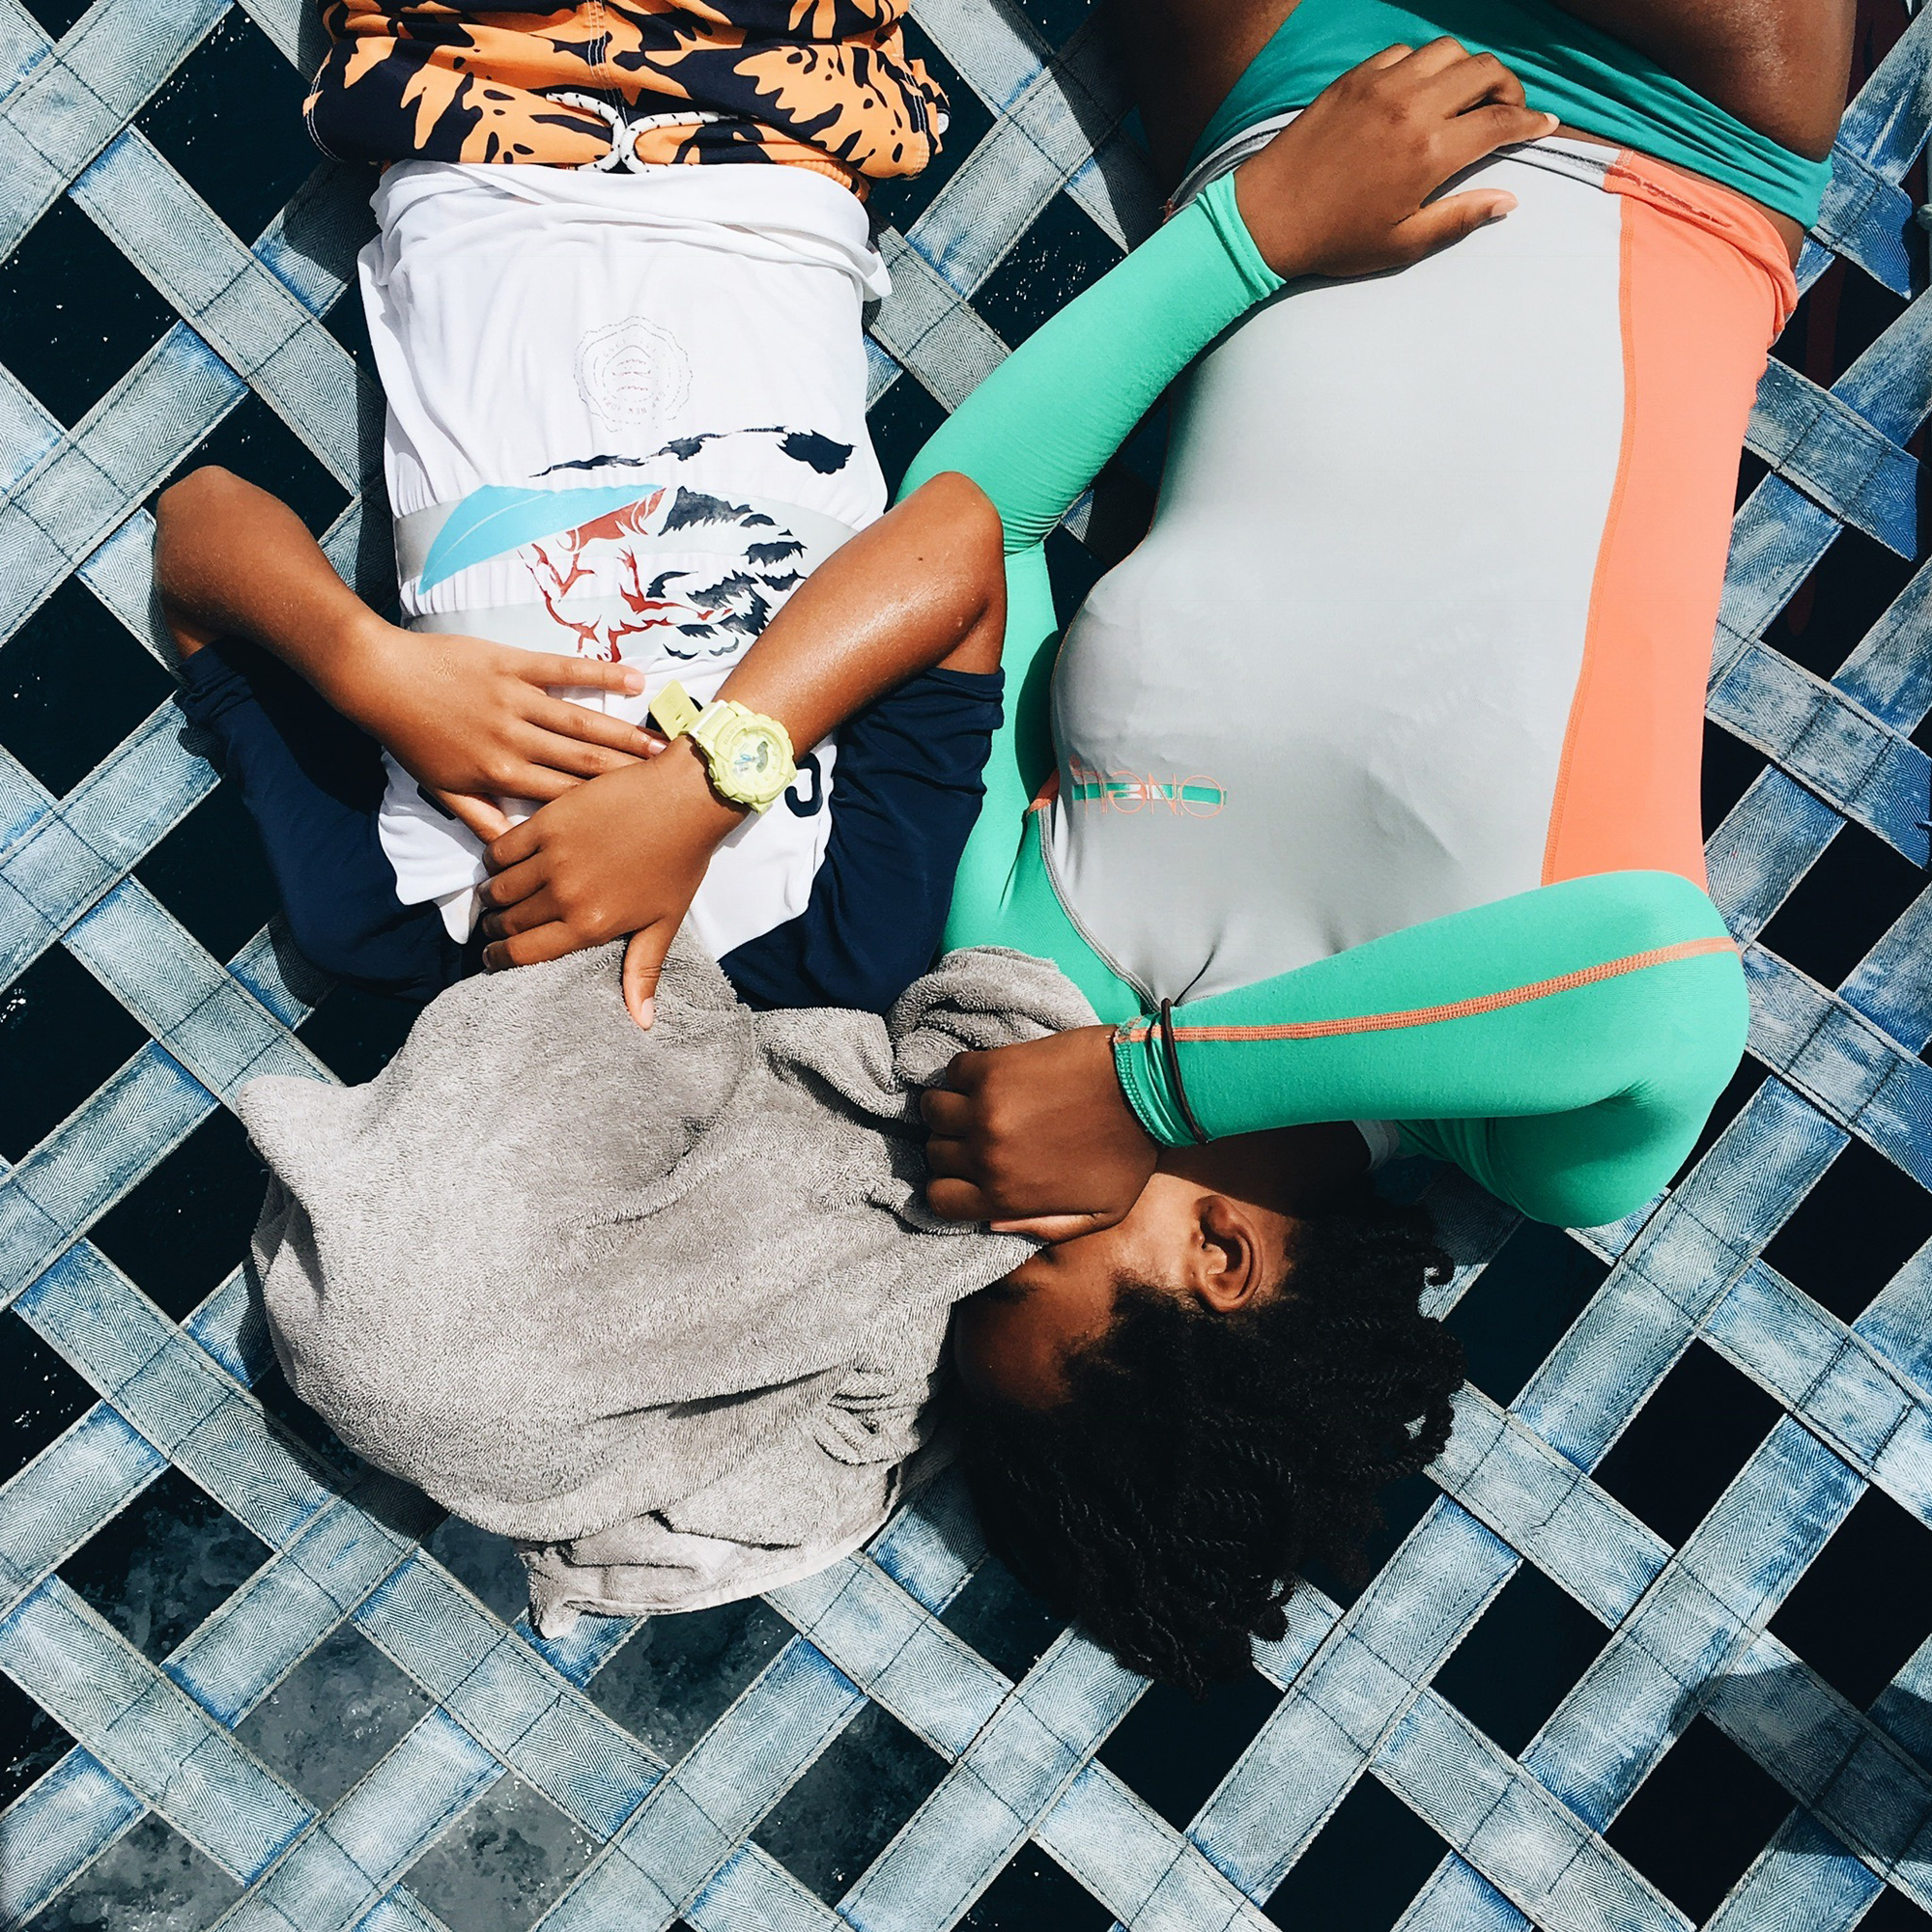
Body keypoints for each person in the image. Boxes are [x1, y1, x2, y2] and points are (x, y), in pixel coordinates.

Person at [455, 4, 1851, 1687]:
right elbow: (1660, 993)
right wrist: (1150, 1093)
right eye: (1028, 1252)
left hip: (1291, 107)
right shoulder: (1528, 1136)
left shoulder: (1022, 952)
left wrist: (1248, 241)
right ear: (1220, 1261)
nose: (980, 1205)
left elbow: (976, 526)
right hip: (1669, 120)